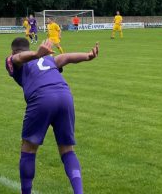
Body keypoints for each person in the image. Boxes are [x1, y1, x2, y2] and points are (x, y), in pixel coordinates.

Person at [5, 38, 99, 194]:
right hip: (65, 96)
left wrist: (35, 54)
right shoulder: (46, 59)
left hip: (41, 98)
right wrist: (88, 56)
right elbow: (66, 57)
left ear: (13, 50)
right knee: (67, 149)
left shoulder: (14, 59)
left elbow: (18, 58)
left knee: (28, 148)